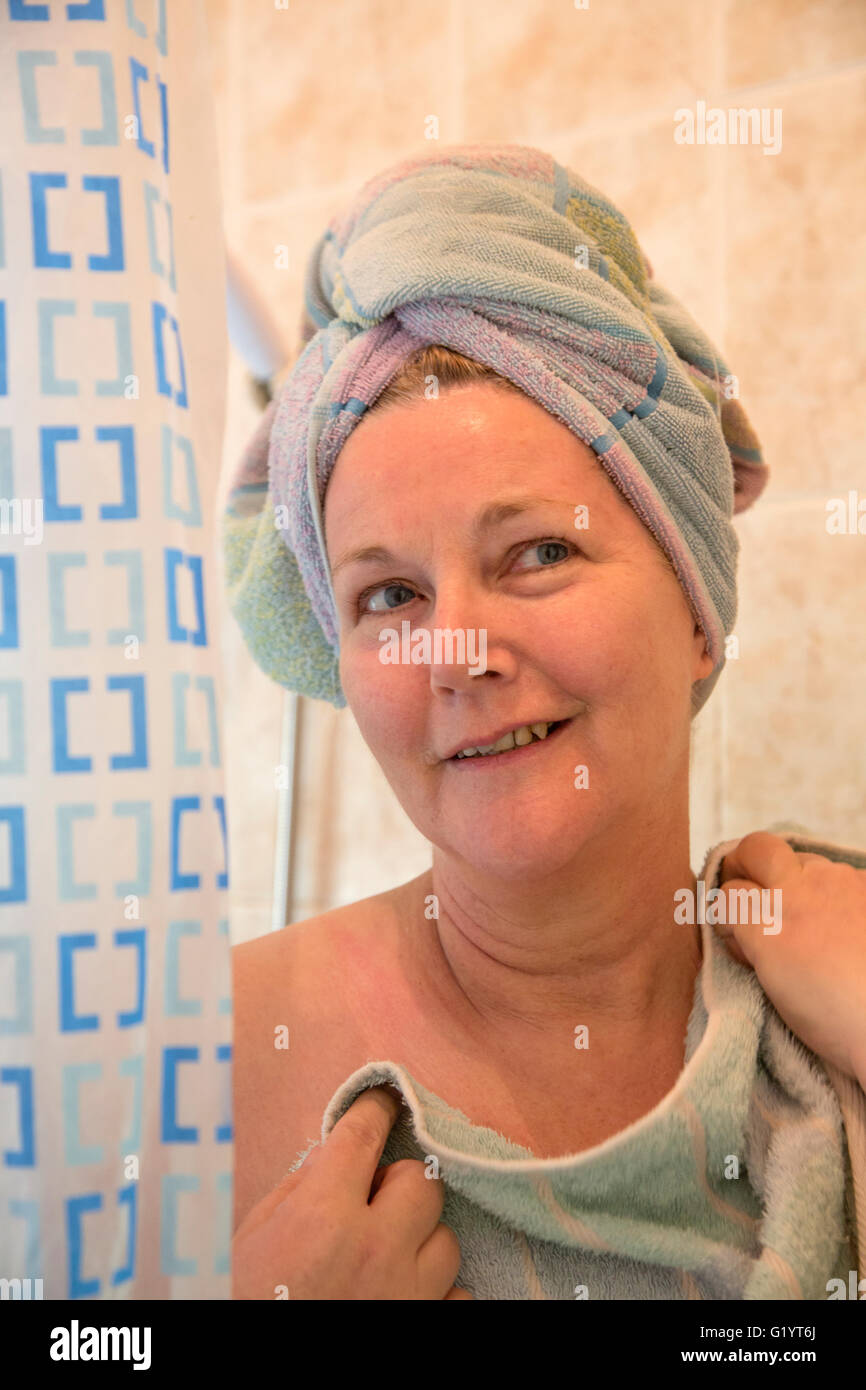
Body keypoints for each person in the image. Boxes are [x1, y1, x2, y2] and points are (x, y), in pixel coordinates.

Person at [224, 146, 866, 1300]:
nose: (454, 651)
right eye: (388, 596)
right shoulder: (198, 1059)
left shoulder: (839, 972)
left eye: (538, 553)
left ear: (696, 617)